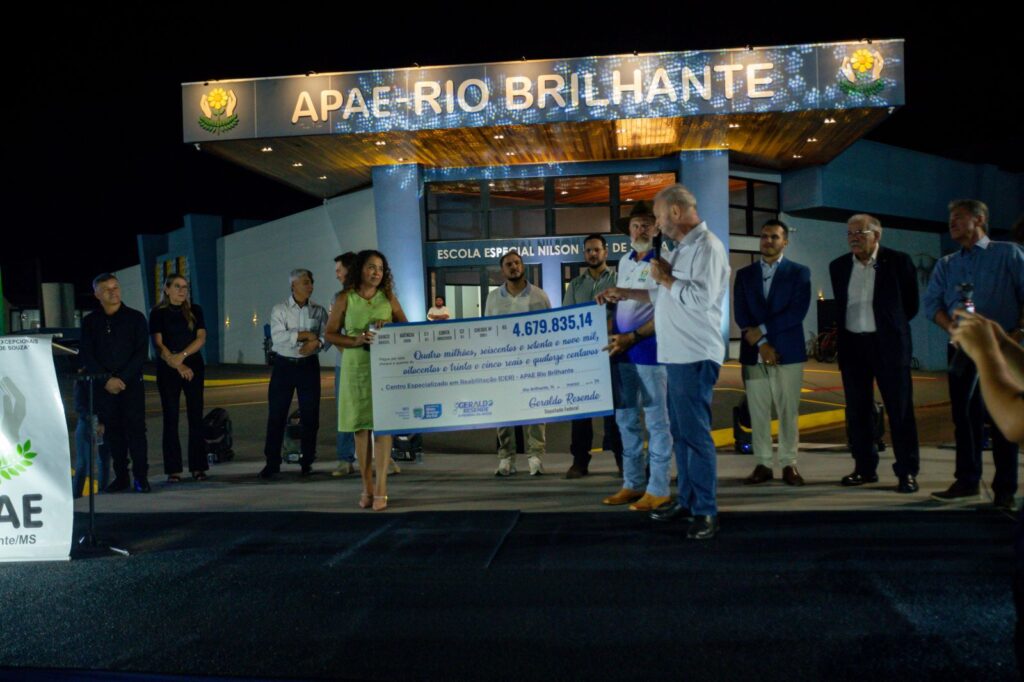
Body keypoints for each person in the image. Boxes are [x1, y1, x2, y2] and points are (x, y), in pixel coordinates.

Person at [602, 185, 729, 539]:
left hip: (693, 354)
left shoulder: (708, 248)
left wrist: (667, 278)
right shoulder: (681, 249)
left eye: (656, 217)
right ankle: (687, 501)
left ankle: (705, 510)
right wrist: (628, 292)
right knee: (681, 434)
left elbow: (700, 299)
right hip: (675, 355)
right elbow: (661, 294)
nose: (654, 225)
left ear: (675, 212)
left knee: (695, 436)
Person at [924, 199, 1024, 510]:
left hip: (1003, 346)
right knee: (963, 417)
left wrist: (1016, 335)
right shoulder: (946, 264)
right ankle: (967, 481)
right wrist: (953, 331)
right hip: (962, 350)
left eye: (958, 217)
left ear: (979, 219)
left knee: (1001, 417)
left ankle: (1005, 490)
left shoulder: (1008, 254)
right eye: (950, 218)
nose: (951, 223)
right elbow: (932, 306)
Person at [828, 214, 920, 493]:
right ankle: (864, 468)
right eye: (849, 233)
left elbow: (910, 306)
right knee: (858, 411)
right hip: (854, 347)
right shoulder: (839, 266)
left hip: (889, 346)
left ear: (876, 236)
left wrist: (888, 327)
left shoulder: (898, 261)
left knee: (900, 410)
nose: (853, 237)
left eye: (860, 232)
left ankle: (906, 472)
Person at [595, 207, 672, 512]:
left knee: (657, 421)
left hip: (650, 348)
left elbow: (662, 299)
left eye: (646, 226)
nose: (639, 231)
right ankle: (632, 483)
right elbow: (625, 300)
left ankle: (659, 487)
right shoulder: (625, 261)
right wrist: (612, 297)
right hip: (622, 350)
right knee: (625, 420)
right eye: (635, 226)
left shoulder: (663, 261)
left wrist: (622, 291)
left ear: (656, 230)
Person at [326, 250, 408, 511]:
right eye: (372, 267)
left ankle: (382, 487)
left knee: (383, 429)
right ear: (361, 269)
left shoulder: (388, 298)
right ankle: (367, 486)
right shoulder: (344, 298)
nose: (376, 273)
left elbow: (406, 328)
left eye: (381, 269)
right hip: (355, 367)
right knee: (361, 429)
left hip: (384, 369)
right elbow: (330, 334)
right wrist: (355, 340)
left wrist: (389, 327)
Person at [733, 219, 811, 486]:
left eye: (774, 237)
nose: (768, 241)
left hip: (788, 352)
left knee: (788, 410)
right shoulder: (744, 275)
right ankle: (763, 464)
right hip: (754, 353)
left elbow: (796, 313)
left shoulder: (799, 273)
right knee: (758, 411)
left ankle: (789, 463)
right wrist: (761, 344)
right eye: (764, 236)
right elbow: (741, 313)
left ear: (785, 241)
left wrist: (764, 331)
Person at [79, 273, 150, 493]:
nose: (113, 292)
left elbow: (141, 353)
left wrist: (122, 378)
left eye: (116, 287)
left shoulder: (136, 318)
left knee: (136, 432)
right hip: (104, 388)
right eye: (107, 289)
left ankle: (141, 478)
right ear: (97, 294)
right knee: (113, 434)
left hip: (131, 386)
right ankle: (122, 477)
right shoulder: (90, 322)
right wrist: (106, 380)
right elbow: (88, 355)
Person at [484, 250, 551, 476]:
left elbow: (550, 330)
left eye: (517, 263)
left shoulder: (540, 297)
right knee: (503, 411)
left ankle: (536, 456)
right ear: (502, 270)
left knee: (535, 410)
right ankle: (506, 458)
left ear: (523, 266)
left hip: (533, 364)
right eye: (508, 264)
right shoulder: (493, 298)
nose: (513, 267)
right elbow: (486, 331)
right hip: (503, 364)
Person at [562, 233, 623, 480]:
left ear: (605, 252)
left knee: (618, 411)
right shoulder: (575, 286)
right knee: (581, 412)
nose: (592, 254)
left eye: (596, 249)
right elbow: (566, 320)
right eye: (588, 250)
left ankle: (622, 460)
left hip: (614, 354)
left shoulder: (619, 280)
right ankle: (579, 461)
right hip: (584, 359)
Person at [260, 269, 329, 480]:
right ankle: (272, 463)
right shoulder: (279, 309)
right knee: (276, 415)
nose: (310, 286)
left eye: (311, 282)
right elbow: (278, 337)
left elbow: (328, 334)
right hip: (284, 366)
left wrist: (318, 342)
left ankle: (307, 461)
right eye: (305, 282)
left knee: (310, 416)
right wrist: (306, 335)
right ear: (293, 286)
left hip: (309, 366)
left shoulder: (319, 311)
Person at [149, 273, 208, 482]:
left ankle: (198, 467)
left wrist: (182, 357)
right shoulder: (158, 313)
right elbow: (158, 344)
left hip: (192, 366)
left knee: (195, 416)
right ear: (166, 289)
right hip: (168, 368)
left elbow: (201, 338)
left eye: (185, 287)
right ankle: (173, 469)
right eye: (177, 286)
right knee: (171, 418)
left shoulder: (195, 310)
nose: (182, 290)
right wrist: (175, 363)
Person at [330, 252, 358, 478]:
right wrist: (350, 356)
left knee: (376, 411)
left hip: (371, 364)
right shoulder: (338, 298)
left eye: (340, 269)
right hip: (346, 365)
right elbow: (333, 333)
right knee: (346, 413)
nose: (337, 274)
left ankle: (384, 458)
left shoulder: (377, 296)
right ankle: (344, 459)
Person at [72, 370, 111, 498]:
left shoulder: (106, 374)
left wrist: (102, 421)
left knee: (103, 459)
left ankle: (102, 493)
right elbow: (79, 405)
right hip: (88, 420)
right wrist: (95, 421)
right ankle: (76, 496)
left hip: (102, 421)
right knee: (83, 463)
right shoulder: (84, 377)